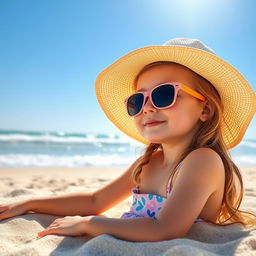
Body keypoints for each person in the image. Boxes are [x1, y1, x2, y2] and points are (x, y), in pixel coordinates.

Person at [0, 38, 255, 242]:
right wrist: (28, 203)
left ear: (205, 110)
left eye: (164, 94)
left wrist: (89, 224)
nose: (146, 108)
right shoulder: (149, 162)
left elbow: (164, 229)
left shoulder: (203, 160)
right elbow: (95, 201)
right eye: (138, 100)